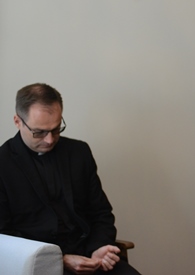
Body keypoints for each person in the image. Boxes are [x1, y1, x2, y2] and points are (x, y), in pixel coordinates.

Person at [0, 83, 141, 275]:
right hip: (38, 266)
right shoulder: (3, 164)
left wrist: (99, 247)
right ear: (18, 121)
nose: (49, 140)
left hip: (90, 255)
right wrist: (60, 260)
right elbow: (4, 237)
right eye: (39, 132)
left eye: (56, 129)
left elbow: (101, 213)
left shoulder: (79, 152)